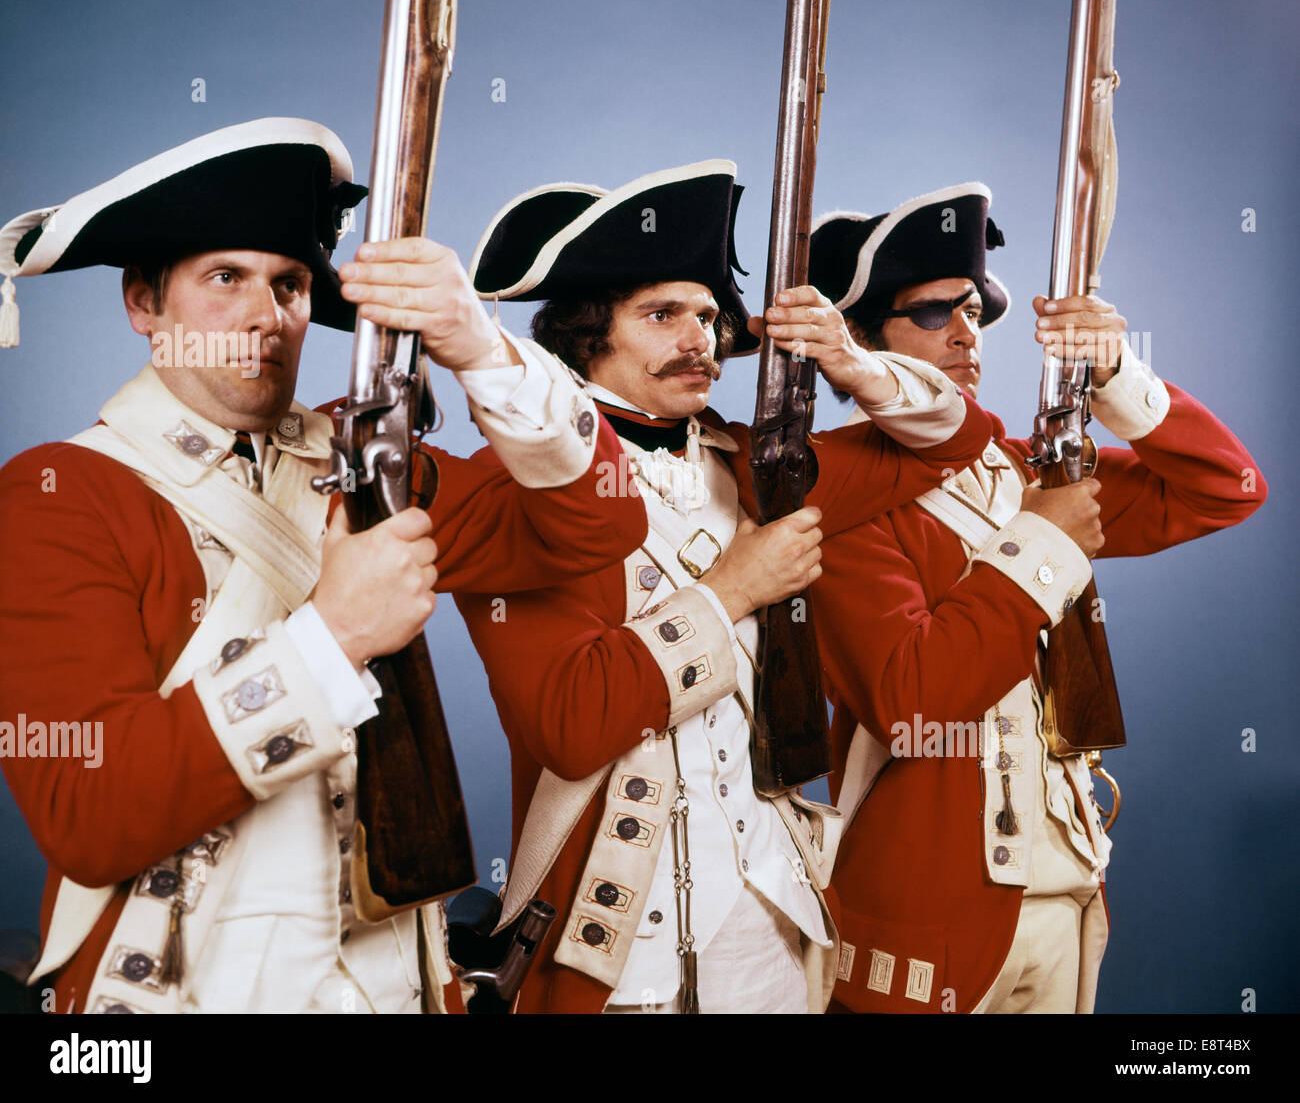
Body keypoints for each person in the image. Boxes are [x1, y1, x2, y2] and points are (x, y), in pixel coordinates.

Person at [0, 118, 647, 1014]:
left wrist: (481, 350)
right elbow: (91, 812)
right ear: (144, 304)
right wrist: (331, 636)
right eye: (226, 278)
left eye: (292, 285)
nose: (267, 317)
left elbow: (601, 526)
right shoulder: (61, 492)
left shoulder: (369, 465)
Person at [456, 160, 994, 1013]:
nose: (699, 339)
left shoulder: (754, 465)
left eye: (707, 316)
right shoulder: (515, 493)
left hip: (772, 924)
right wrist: (730, 592)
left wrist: (852, 363)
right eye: (662, 314)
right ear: (588, 331)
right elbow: (572, 723)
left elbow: (957, 437)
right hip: (612, 939)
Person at [807, 183, 1267, 1013]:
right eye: (931, 311)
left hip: (1069, 893)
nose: (964, 330)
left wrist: (1118, 374)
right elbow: (911, 701)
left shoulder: (1028, 472)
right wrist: (1043, 541)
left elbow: (1227, 489)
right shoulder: (836, 492)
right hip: (925, 922)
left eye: (974, 311)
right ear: (863, 342)